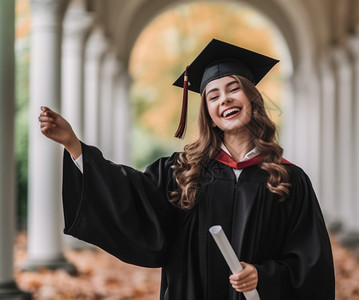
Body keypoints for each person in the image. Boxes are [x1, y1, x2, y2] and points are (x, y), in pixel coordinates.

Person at [38, 39, 335, 300]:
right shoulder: (183, 171)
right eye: (213, 95)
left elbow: (311, 265)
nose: (225, 100)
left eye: (234, 89)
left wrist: (264, 275)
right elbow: (132, 199)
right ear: (208, 113)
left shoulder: (288, 179)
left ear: (252, 99)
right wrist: (75, 146)